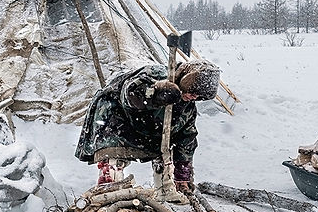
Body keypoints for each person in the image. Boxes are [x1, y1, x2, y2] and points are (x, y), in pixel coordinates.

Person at [75, 59, 221, 196]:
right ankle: (108, 193)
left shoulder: (188, 108)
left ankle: (166, 193)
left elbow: (186, 138)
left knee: (165, 154)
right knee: (113, 162)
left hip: (151, 130)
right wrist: (156, 94)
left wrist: (183, 174)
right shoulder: (155, 74)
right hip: (118, 123)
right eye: (193, 92)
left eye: (199, 96)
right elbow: (129, 93)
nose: (194, 97)